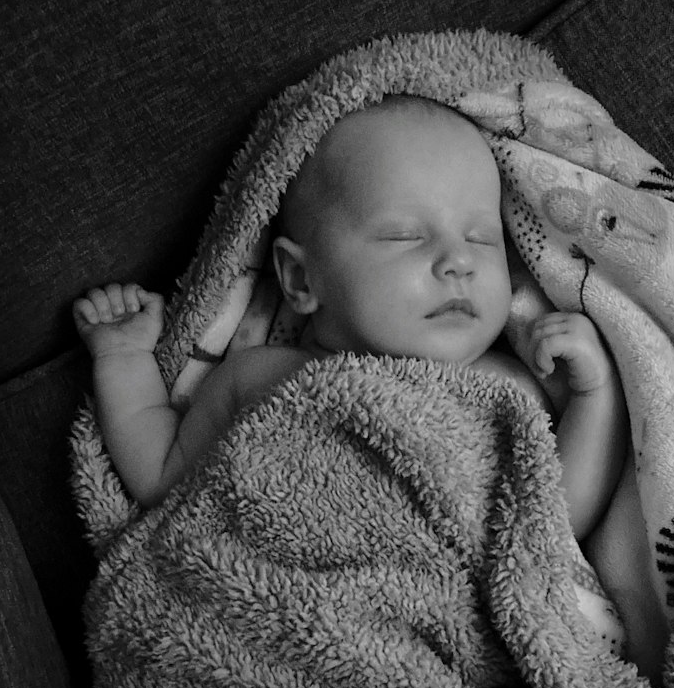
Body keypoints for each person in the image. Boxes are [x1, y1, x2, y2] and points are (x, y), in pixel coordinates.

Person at [73, 96, 628, 543]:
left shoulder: (503, 392)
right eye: (405, 236)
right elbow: (162, 475)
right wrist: (123, 357)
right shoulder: (263, 378)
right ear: (299, 280)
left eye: (483, 239)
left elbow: (555, 527)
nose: (459, 260)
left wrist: (593, 395)